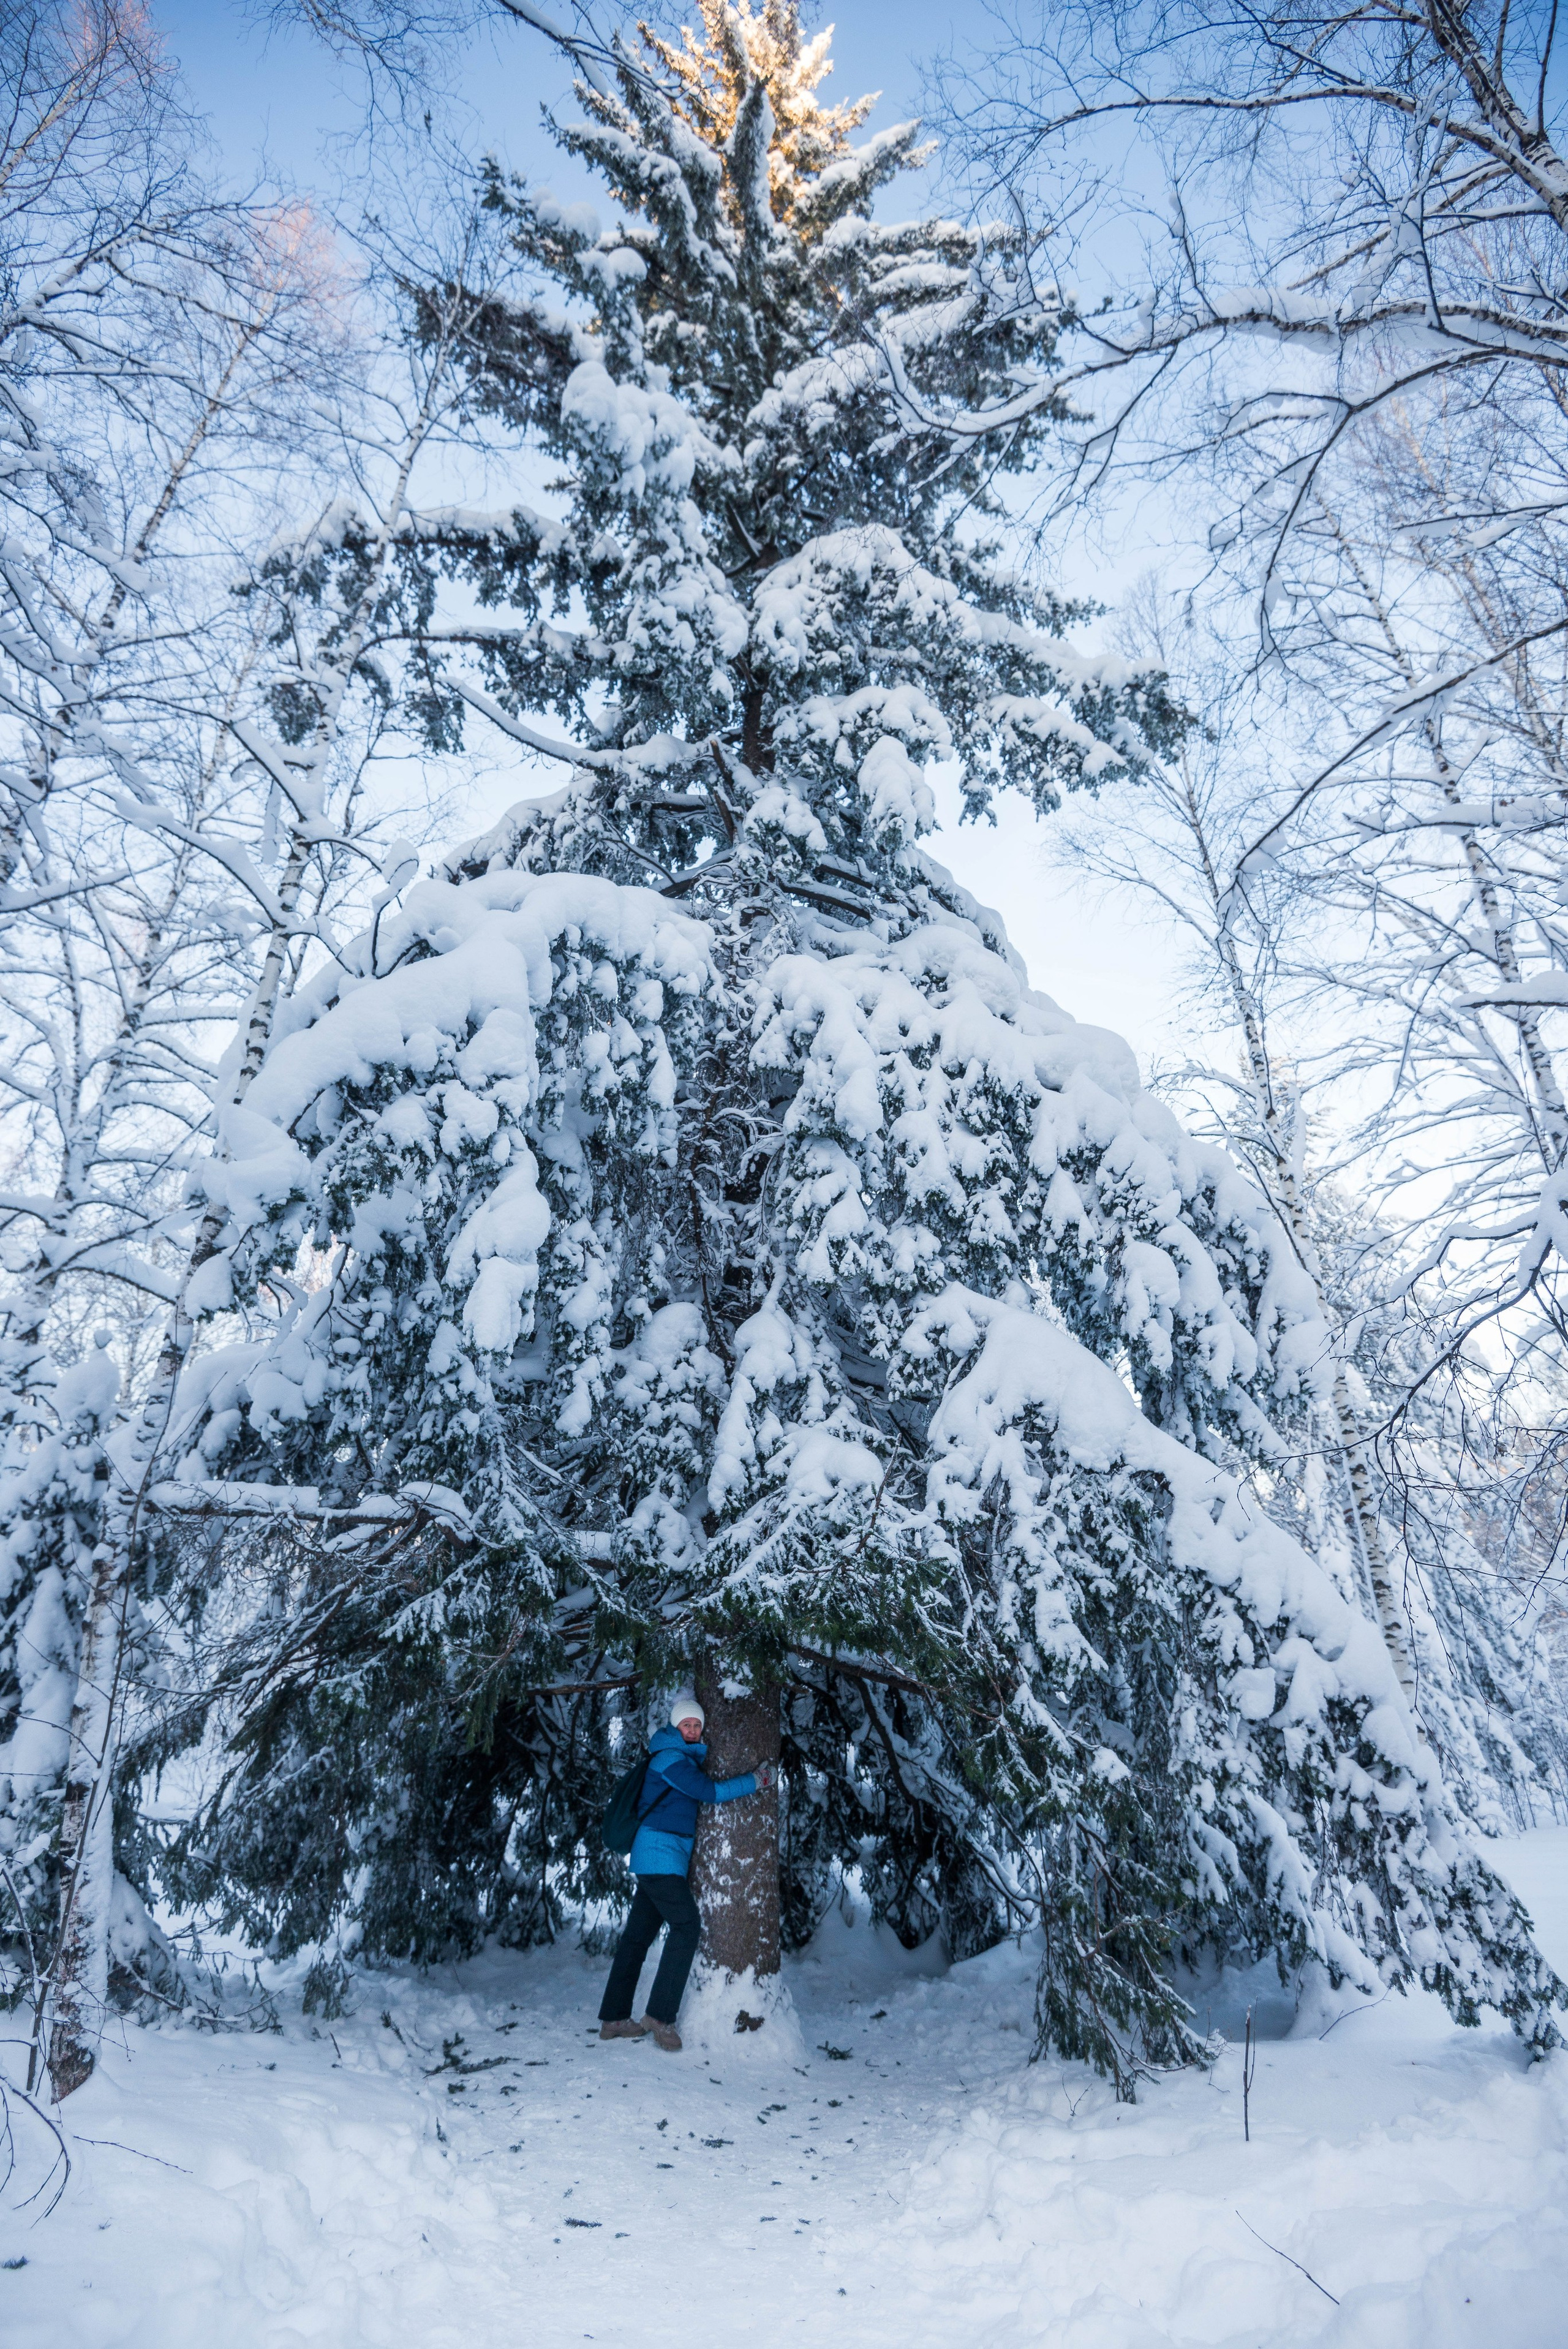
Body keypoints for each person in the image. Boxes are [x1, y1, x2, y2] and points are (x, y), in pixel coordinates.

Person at [598, 1694, 775, 2053]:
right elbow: (709, 1792)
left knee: (636, 1938)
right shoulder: (669, 1761)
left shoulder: (677, 1759)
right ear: (675, 1728)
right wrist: (757, 1781)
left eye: (697, 1725)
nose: (693, 1730)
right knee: (686, 1925)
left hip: (659, 1859)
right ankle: (660, 2017)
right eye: (686, 1725)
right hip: (659, 1857)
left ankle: (614, 2019)